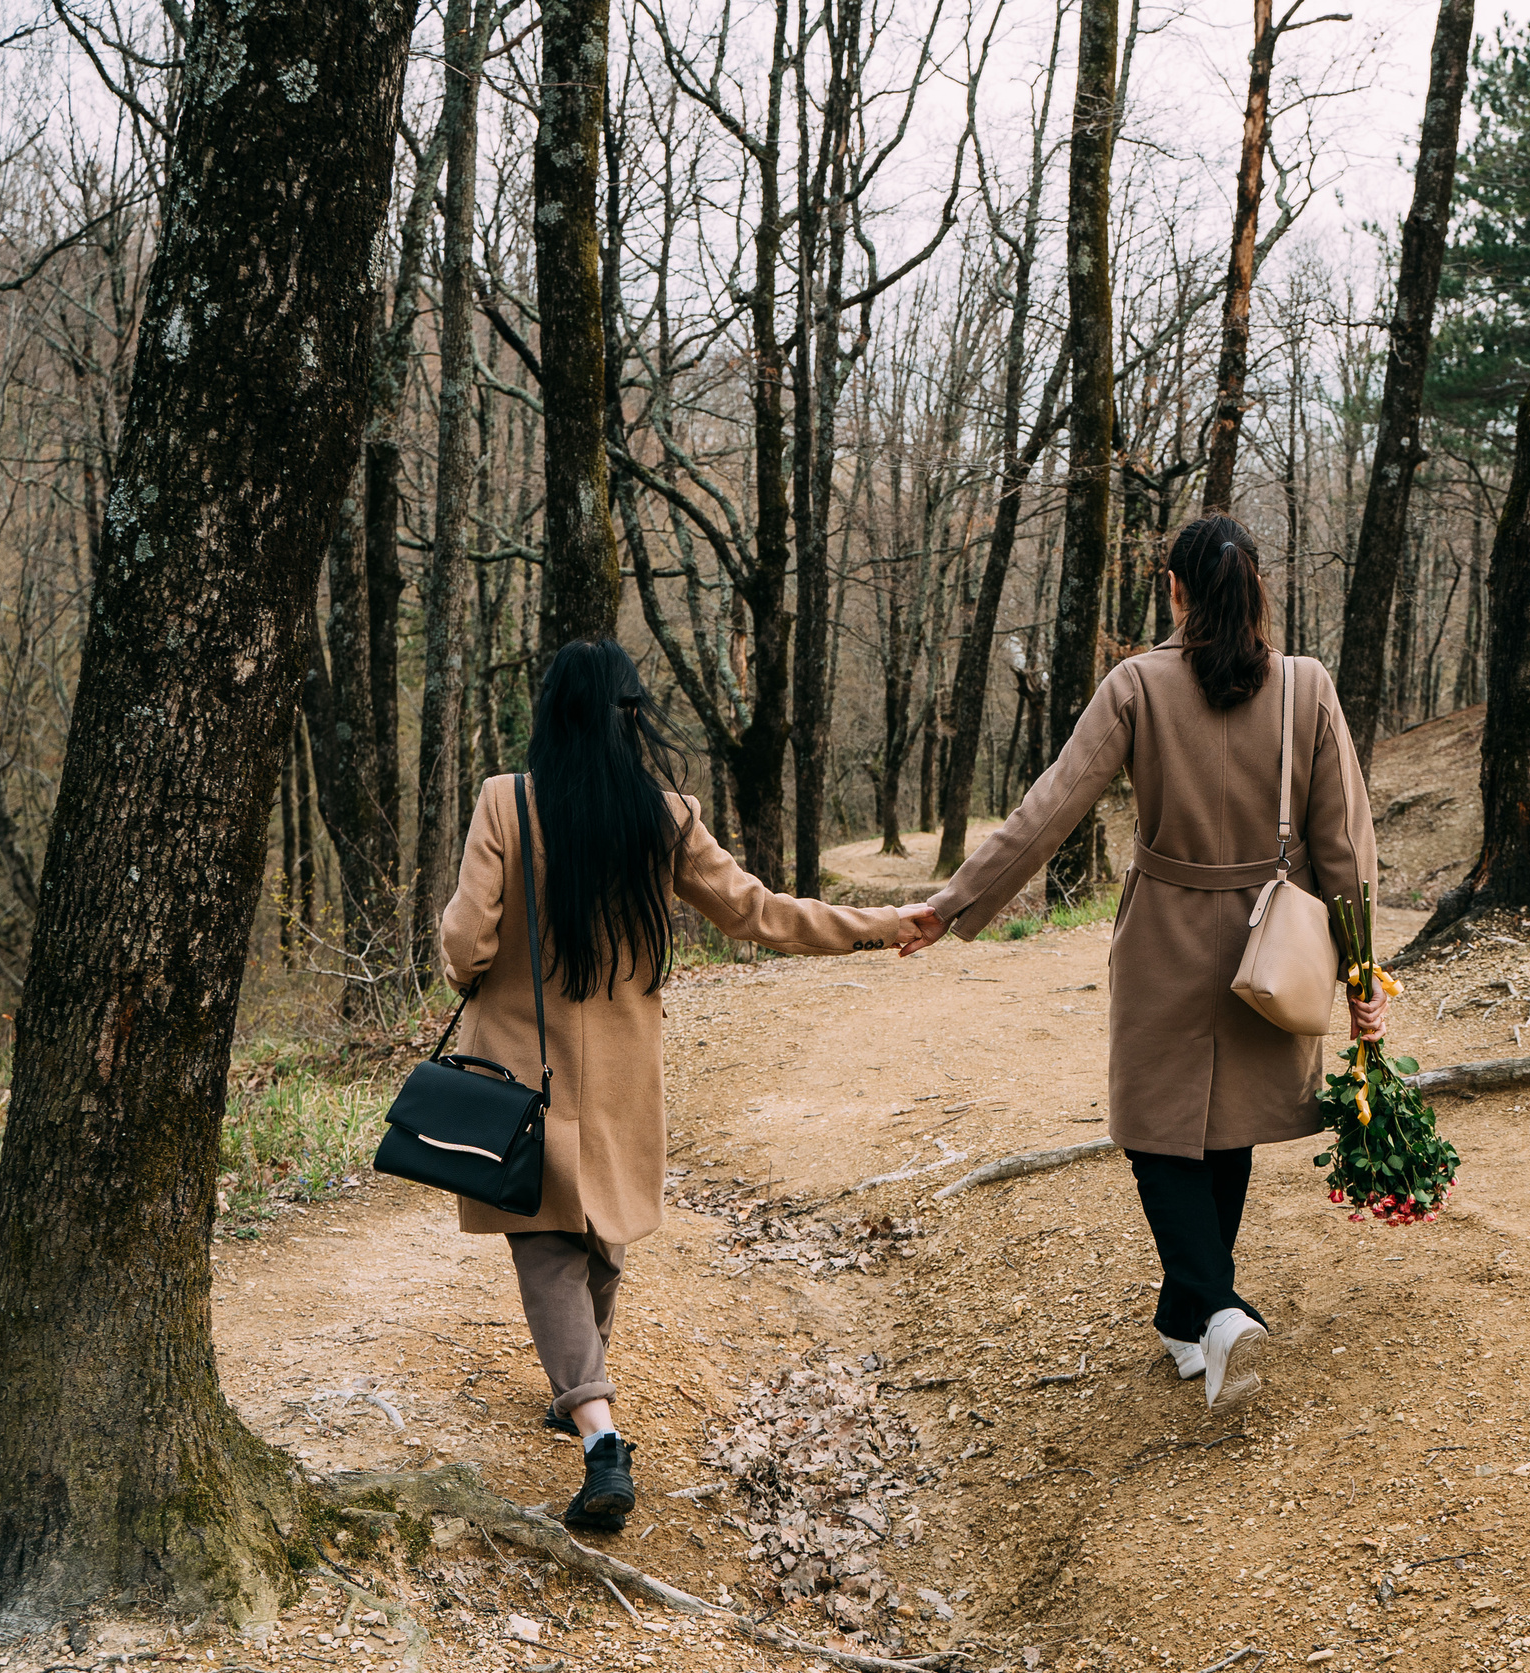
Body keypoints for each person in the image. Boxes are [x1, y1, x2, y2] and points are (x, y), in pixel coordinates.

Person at [439, 638, 932, 1529]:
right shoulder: (663, 816)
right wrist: (884, 920)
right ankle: (582, 1392)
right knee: (596, 1239)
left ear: (551, 715)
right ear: (631, 718)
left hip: (521, 1074)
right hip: (626, 1081)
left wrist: (475, 951)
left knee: (547, 1248)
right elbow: (762, 913)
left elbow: (466, 946)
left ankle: (598, 1434)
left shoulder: (503, 804)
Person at [904, 515, 1388, 1409]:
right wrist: (1362, 972)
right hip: (1270, 939)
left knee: (1160, 1131)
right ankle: (1196, 1312)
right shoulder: (1308, 688)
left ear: (1175, 591)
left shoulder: (1135, 685)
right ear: (1257, 592)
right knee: (1225, 1126)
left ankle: (1210, 1307)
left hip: (1165, 932)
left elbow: (1050, 806)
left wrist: (951, 905)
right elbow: (1348, 852)